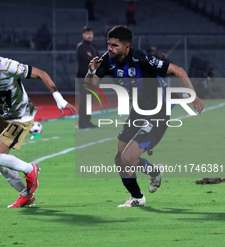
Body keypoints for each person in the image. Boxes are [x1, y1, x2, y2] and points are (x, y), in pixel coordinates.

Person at [86, 25, 204, 207]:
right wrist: (92, 71)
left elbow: (178, 71)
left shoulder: (141, 59)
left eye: (114, 45)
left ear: (126, 47)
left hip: (158, 111)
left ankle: (144, 186)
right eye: (109, 44)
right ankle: (140, 194)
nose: (110, 48)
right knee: (119, 159)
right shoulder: (107, 60)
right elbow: (90, 85)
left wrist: (193, 95)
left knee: (127, 159)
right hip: (138, 112)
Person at [0, 35, 76, 208]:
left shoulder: (8, 66)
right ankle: (25, 195)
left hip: (22, 115)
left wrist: (59, 98)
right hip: (4, 116)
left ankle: (30, 169)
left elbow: (41, 73)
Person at [77, 26, 99, 129]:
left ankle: (88, 121)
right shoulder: (81, 46)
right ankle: (82, 122)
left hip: (91, 77)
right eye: (87, 34)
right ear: (83, 35)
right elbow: (89, 59)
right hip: (83, 76)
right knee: (84, 99)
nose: (89, 35)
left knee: (90, 99)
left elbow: (98, 60)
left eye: (90, 33)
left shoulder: (93, 46)